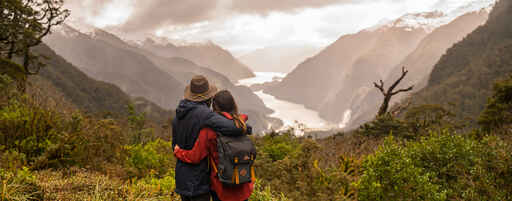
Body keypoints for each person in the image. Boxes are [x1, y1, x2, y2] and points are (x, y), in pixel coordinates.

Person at [172, 76, 250, 201]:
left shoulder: (177, 117)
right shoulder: (206, 116)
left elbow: (175, 145)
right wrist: (245, 126)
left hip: (182, 179)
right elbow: (231, 126)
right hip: (203, 183)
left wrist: (177, 151)